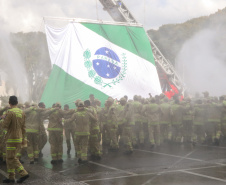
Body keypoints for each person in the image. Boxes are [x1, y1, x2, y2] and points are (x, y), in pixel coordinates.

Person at [1, 96, 29, 183]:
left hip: (11, 139)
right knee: (9, 158)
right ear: (17, 103)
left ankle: (23, 173)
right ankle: (11, 177)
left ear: (10, 103)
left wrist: (2, 118)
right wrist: (24, 137)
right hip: (19, 138)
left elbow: (4, 125)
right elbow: (24, 127)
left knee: (12, 158)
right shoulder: (22, 112)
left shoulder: (10, 112)